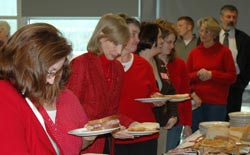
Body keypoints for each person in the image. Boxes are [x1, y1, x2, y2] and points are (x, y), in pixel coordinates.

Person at [0, 23, 88, 155]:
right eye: (50, 72)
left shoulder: (21, 94)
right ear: (30, 63)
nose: (51, 80)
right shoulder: (5, 98)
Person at [66, 13, 130, 154]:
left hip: (107, 143)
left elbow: (112, 111)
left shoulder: (118, 68)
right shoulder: (81, 64)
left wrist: (127, 124)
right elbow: (70, 112)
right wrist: (101, 126)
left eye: (122, 45)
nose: (119, 51)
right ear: (101, 36)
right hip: (84, 144)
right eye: (115, 43)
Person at [114, 18, 165, 155]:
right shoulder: (106, 65)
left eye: (138, 34)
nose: (137, 39)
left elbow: (153, 93)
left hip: (145, 134)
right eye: (133, 34)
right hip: (117, 136)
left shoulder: (143, 65)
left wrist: (157, 99)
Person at [186, 17, 237, 132]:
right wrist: (197, 74)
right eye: (201, 30)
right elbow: (186, 78)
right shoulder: (194, 53)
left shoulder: (224, 52)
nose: (203, 34)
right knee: (195, 136)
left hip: (216, 103)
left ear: (214, 34)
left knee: (214, 137)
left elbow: (232, 77)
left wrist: (212, 74)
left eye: (207, 31)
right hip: (196, 102)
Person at [155, 19, 192, 151]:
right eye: (169, 42)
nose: (172, 46)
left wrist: (188, 124)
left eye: (173, 42)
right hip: (156, 120)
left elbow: (186, 95)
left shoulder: (180, 64)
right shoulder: (150, 64)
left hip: (176, 120)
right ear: (158, 41)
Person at [218, 5, 250, 121]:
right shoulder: (212, 36)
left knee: (232, 119)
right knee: (215, 119)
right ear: (221, 17)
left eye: (234, 17)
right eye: (228, 17)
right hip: (215, 84)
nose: (231, 20)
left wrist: (243, 82)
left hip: (235, 85)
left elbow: (248, 63)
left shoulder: (244, 39)